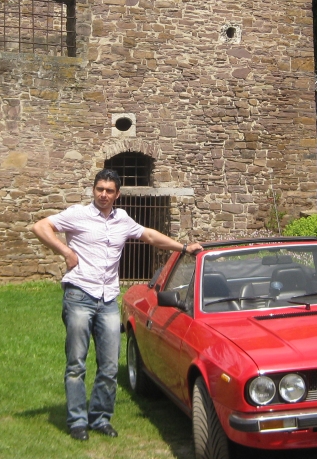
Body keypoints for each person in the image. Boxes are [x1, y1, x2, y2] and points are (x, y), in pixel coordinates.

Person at [31, 168, 203, 442]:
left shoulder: (122, 219)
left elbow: (149, 236)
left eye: (109, 191)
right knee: (76, 363)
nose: (103, 194)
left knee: (109, 366)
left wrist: (182, 248)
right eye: (100, 189)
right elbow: (40, 226)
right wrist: (66, 251)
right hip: (79, 295)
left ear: (117, 194)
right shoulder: (77, 214)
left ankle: (100, 418)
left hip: (108, 299)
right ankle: (77, 421)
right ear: (93, 190)